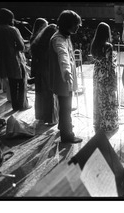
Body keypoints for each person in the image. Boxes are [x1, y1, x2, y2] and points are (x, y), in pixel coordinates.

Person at [49, 10, 82, 143]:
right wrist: (67, 71)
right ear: (68, 24)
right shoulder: (58, 39)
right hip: (63, 80)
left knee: (64, 107)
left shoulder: (64, 36)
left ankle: (63, 126)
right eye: (76, 25)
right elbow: (63, 56)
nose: (78, 28)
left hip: (64, 79)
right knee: (66, 108)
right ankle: (67, 135)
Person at [0, 8, 31, 111]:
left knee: (12, 83)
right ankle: (21, 105)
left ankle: (15, 106)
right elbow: (21, 47)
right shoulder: (12, 30)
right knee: (21, 83)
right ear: (9, 18)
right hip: (14, 60)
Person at [90, 22, 119, 133]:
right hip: (106, 75)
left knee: (98, 98)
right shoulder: (108, 46)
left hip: (97, 74)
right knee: (108, 99)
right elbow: (109, 64)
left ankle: (98, 122)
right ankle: (108, 123)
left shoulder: (94, 44)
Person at [31, 24, 59, 125]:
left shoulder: (38, 44)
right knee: (50, 95)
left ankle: (41, 116)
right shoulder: (50, 45)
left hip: (40, 70)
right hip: (48, 70)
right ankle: (51, 119)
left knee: (40, 94)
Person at [29, 18, 48, 82]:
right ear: (41, 27)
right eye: (45, 26)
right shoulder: (40, 38)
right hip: (40, 63)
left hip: (36, 62)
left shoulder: (33, 36)